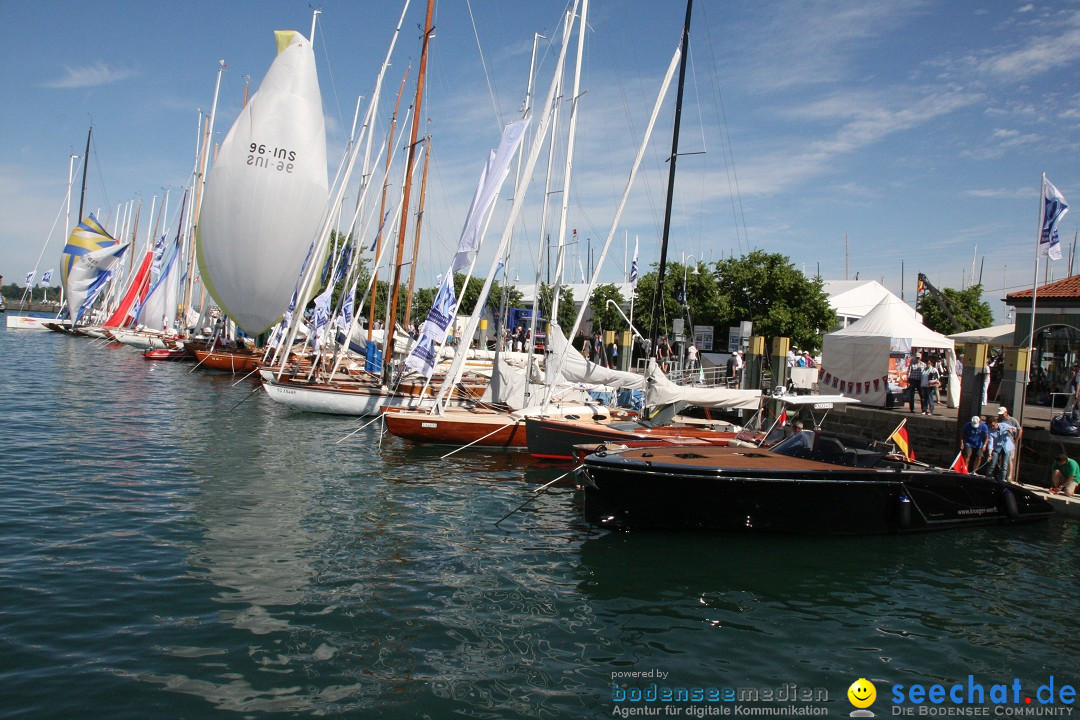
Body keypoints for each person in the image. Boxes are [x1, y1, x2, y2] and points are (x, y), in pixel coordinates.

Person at [995, 406, 1021, 482]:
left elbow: (1019, 429)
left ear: (1006, 413)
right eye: (999, 415)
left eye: (1002, 414)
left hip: (1009, 443)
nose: (1001, 416)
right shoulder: (998, 420)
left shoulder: (1012, 420)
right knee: (1000, 459)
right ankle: (1000, 475)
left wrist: (1016, 439)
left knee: (1009, 459)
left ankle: (1009, 476)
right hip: (1000, 443)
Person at [987, 416, 1015, 483]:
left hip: (1006, 447)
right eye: (991, 426)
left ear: (996, 423)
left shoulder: (1003, 425)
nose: (992, 427)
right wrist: (989, 453)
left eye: (993, 425)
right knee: (993, 463)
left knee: (1005, 465)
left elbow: (1014, 428)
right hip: (997, 447)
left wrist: (1011, 430)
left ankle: (1002, 480)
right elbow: (991, 443)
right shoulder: (991, 432)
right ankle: (989, 477)